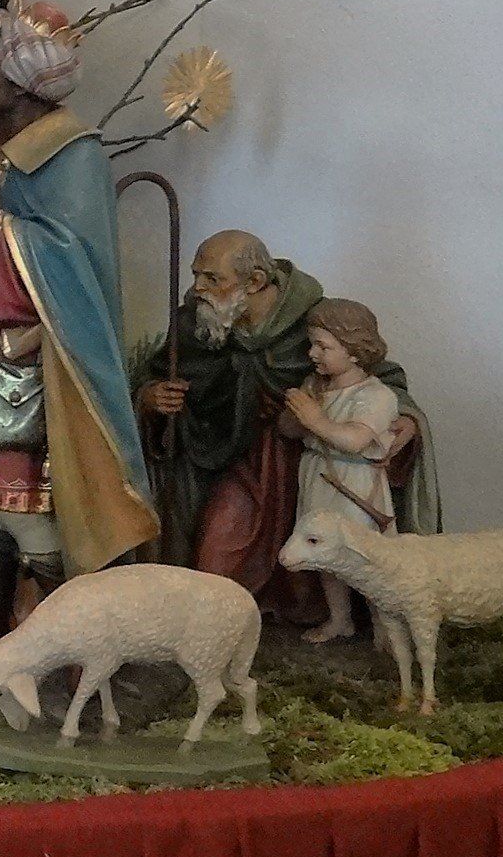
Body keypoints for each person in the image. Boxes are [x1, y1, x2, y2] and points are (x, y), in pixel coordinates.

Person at [0, 2, 159, 660]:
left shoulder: (71, 155)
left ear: (21, 83)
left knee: (26, 496)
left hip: (28, 352)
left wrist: (1, 230)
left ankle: (72, 637)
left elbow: (74, 258)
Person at [138, 231, 434, 617]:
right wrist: (152, 397)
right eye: (196, 275)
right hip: (234, 458)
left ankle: (337, 619)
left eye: (212, 278)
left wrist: (406, 419)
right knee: (216, 557)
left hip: (311, 464)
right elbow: (159, 373)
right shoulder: (194, 324)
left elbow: (378, 378)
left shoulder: (314, 323)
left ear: (255, 281)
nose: (198, 289)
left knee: (332, 557)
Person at [282, 299, 406, 643]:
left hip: (354, 482)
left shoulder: (375, 395)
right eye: (312, 344)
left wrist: (314, 419)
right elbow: (287, 430)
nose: (312, 353)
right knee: (324, 550)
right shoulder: (315, 386)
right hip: (318, 476)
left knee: (364, 556)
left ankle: (384, 627)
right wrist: (297, 413)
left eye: (323, 347)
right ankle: (340, 619)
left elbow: (354, 440)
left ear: (353, 351)